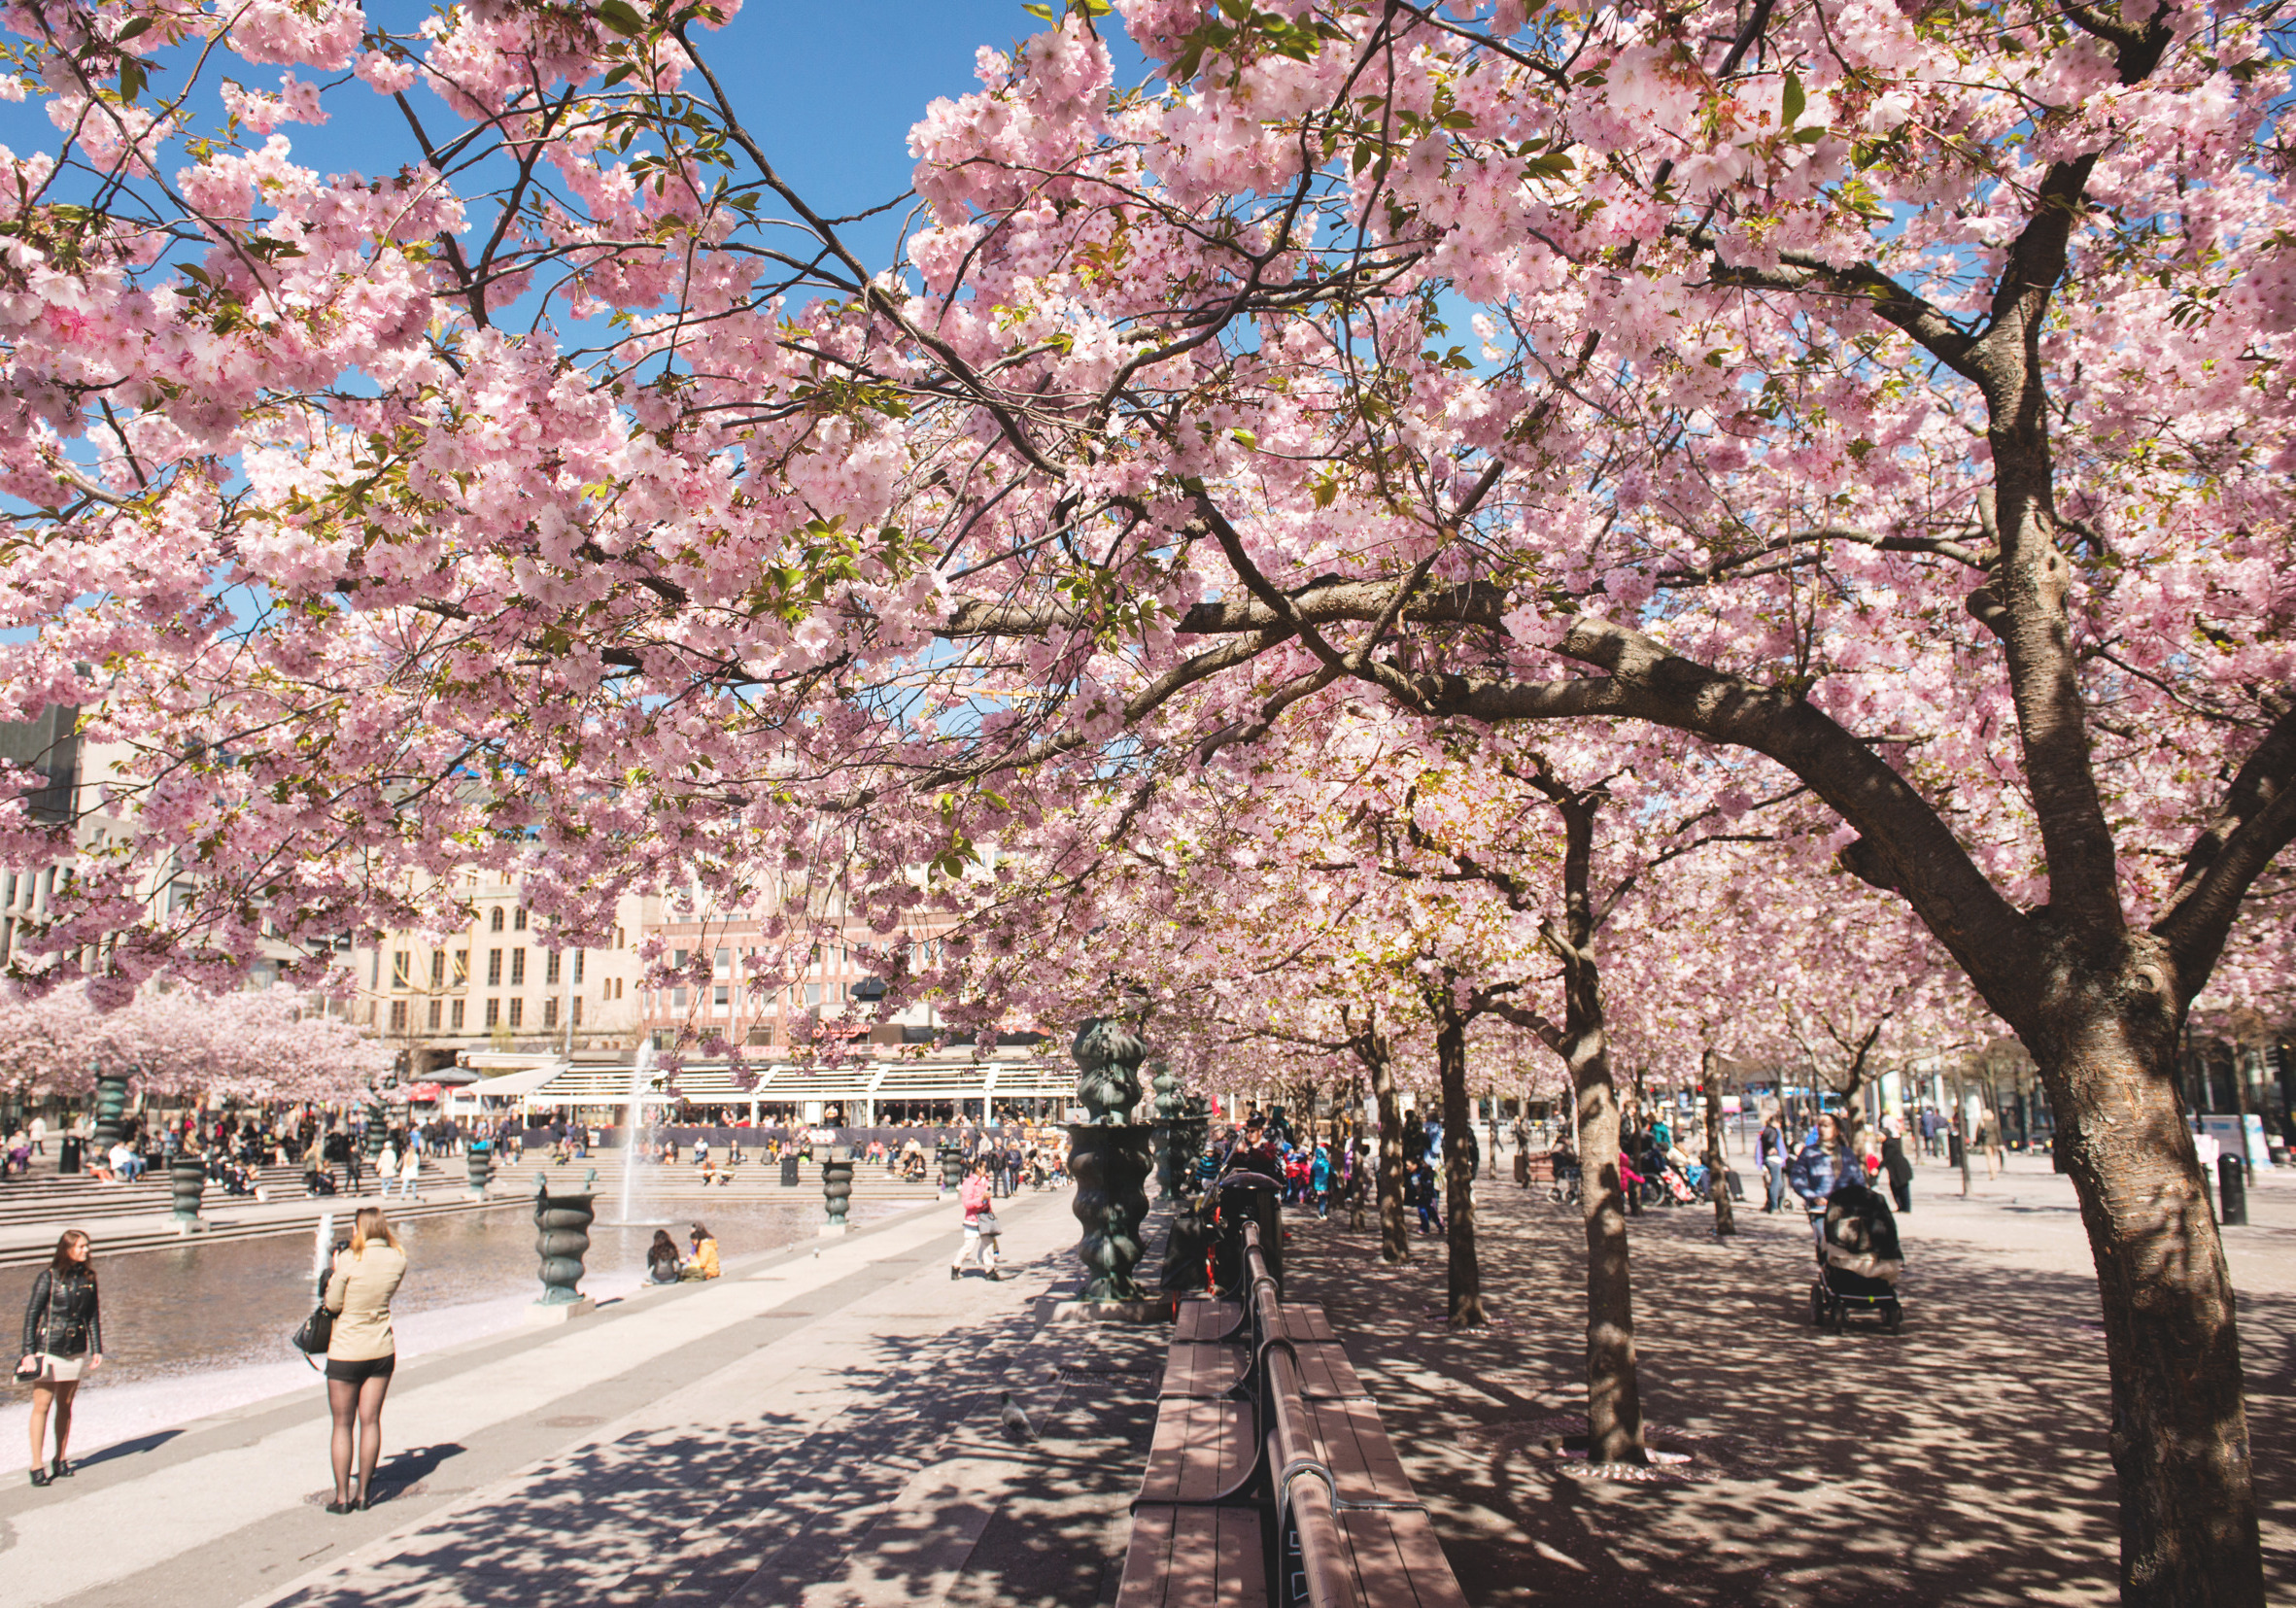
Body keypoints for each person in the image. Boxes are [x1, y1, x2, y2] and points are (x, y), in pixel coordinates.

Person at [321, 1207, 405, 1514]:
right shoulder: (398, 1258)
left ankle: (343, 1498)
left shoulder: (348, 1259)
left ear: (361, 1229)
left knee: (342, 1424)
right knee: (371, 1421)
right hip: (381, 1348)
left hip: (347, 1350)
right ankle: (364, 1496)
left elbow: (332, 1304)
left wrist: (335, 1269)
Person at [18, 1229, 102, 1486]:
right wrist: (28, 1353)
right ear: (67, 1249)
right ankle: (36, 1465)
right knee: (42, 1406)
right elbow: (32, 1315)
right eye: (81, 1246)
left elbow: (92, 1315)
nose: (86, 1250)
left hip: (75, 1348)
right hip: (49, 1348)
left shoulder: (88, 1278)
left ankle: (60, 1458)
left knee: (65, 1405)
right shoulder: (49, 1277)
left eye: (87, 1246)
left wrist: (97, 1349)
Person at [1788, 1113, 1849, 1248]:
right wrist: (1813, 1196)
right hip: (1819, 1209)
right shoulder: (1809, 1153)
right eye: (1820, 1126)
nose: (1822, 1129)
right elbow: (1797, 1179)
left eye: (1827, 1126)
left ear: (1836, 1130)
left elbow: (1857, 1180)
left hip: (1843, 1209)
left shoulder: (1846, 1153)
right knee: (1825, 1246)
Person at [950, 1161, 1003, 1280]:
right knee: (969, 1246)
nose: (986, 1170)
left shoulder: (985, 1181)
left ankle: (990, 1270)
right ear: (978, 1168)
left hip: (985, 1218)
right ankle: (956, 1266)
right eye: (984, 1167)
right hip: (973, 1219)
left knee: (988, 1244)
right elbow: (966, 1203)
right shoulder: (969, 1182)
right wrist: (981, 1199)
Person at [1756, 1112, 1788, 1213]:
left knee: (1777, 1183)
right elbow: (1771, 1141)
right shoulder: (1773, 1131)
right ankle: (1774, 1205)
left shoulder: (1764, 1130)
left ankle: (1774, 1203)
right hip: (1774, 1159)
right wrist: (1772, 1148)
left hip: (1767, 1159)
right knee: (1776, 1183)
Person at [1880, 1120, 1914, 1213]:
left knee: (1903, 1187)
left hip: (1900, 1169)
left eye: (1880, 1135)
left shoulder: (1890, 1144)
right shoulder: (1885, 1144)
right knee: (1894, 1186)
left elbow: (1887, 1158)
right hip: (1894, 1169)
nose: (1878, 1137)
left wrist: (1878, 1168)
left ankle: (1906, 1207)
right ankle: (1900, 1206)